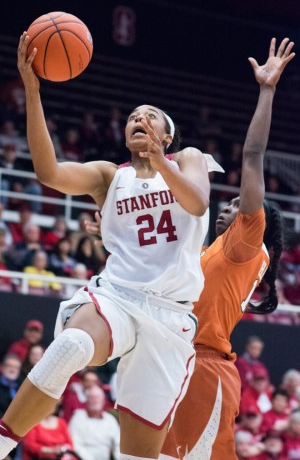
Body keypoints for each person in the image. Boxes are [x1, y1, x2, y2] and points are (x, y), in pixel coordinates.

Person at [0, 31, 223, 460]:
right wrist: (33, 90)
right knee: (70, 346)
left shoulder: (189, 159)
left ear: (167, 135)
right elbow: (48, 173)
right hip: (117, 297)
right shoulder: (109, 175)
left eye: (150, 115)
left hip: (172, 314)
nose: (139, 117)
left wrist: (159, 160)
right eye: (133, 115)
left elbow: (196, 203)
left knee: (139, 455)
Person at [160, 37, 294, 460]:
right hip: (177, 361)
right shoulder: (210, 252)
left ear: (256, 223)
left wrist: (266, 91)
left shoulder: (245, 245)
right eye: (232, 203)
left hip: (205, 369)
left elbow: (252, 155)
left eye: (239, 206)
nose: (230, 208)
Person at [68, 385, 120, 460]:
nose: (95, 400)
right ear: (86, 400)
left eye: (98, 397)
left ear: (103, 400)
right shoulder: (77, 418)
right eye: (92, 397)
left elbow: (118, 443)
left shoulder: (110, 419)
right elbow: (75, 444)